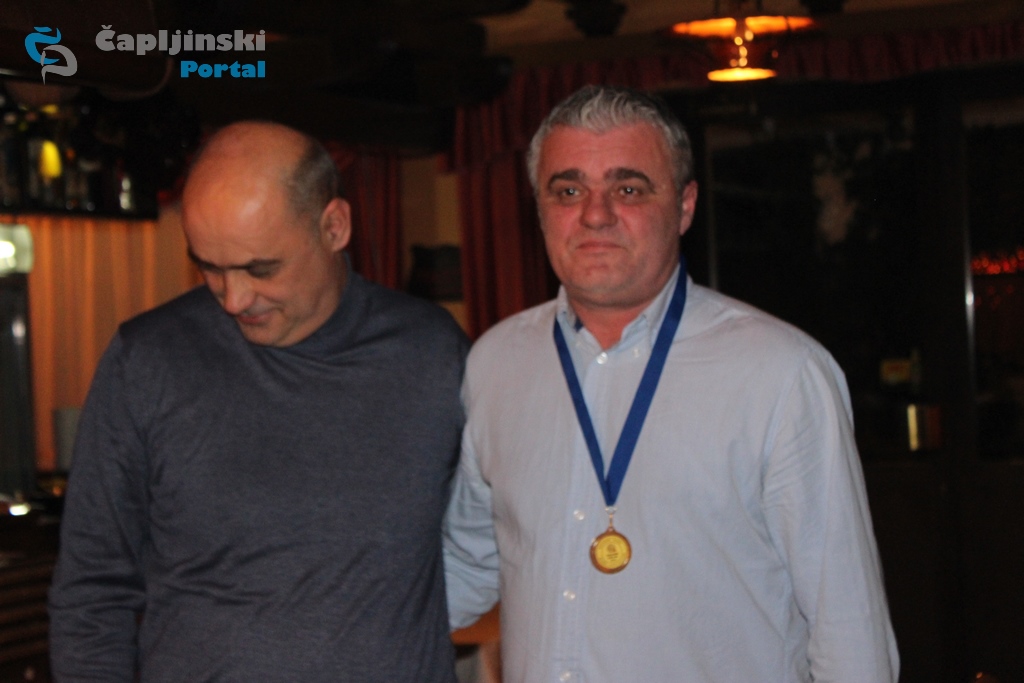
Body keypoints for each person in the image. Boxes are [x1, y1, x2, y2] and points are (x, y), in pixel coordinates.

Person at [443, 85, 899, 682]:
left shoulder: (780, 374)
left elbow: (849, 630)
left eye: (628, 189)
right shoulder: (495, 363)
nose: (595, 214)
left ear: (684, 206)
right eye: (568, 190)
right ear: (540, 209)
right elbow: (466, 566)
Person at [49, 121, 468, 682]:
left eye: (260, 268)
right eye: (210, 267)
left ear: (334, 226)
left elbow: (499, 539)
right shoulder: (147, 360)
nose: (234, 298)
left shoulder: (434, 353)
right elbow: (91, 591)